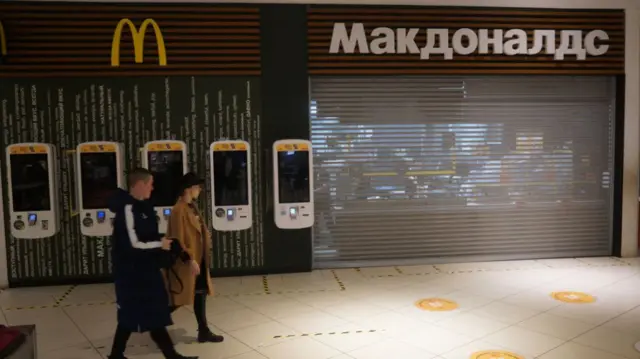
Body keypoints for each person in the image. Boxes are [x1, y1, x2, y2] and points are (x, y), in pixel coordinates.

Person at [107, 168, 197, 359]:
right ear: (139, 185)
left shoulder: (144, 208)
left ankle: (168, 355)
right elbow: (132, 243)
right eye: (150, 184)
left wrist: (170, 245)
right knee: (133, 315)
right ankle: (119, 355)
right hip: (131, 274)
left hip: (147, 270)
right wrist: (160, 244)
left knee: (153, 314)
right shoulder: (128, 209)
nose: (152, 188)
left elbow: (147, 237)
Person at [165, 172, 224, 343]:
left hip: (199, 258)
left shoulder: (192, 207)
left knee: (199, 293)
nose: (199, 190)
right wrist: (189, 259)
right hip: (188, 261)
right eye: (197, 187)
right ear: (188, 189)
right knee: (178, 299)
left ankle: (203, 330)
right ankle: (151, 320)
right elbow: (176, 238)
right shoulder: (178, 210)